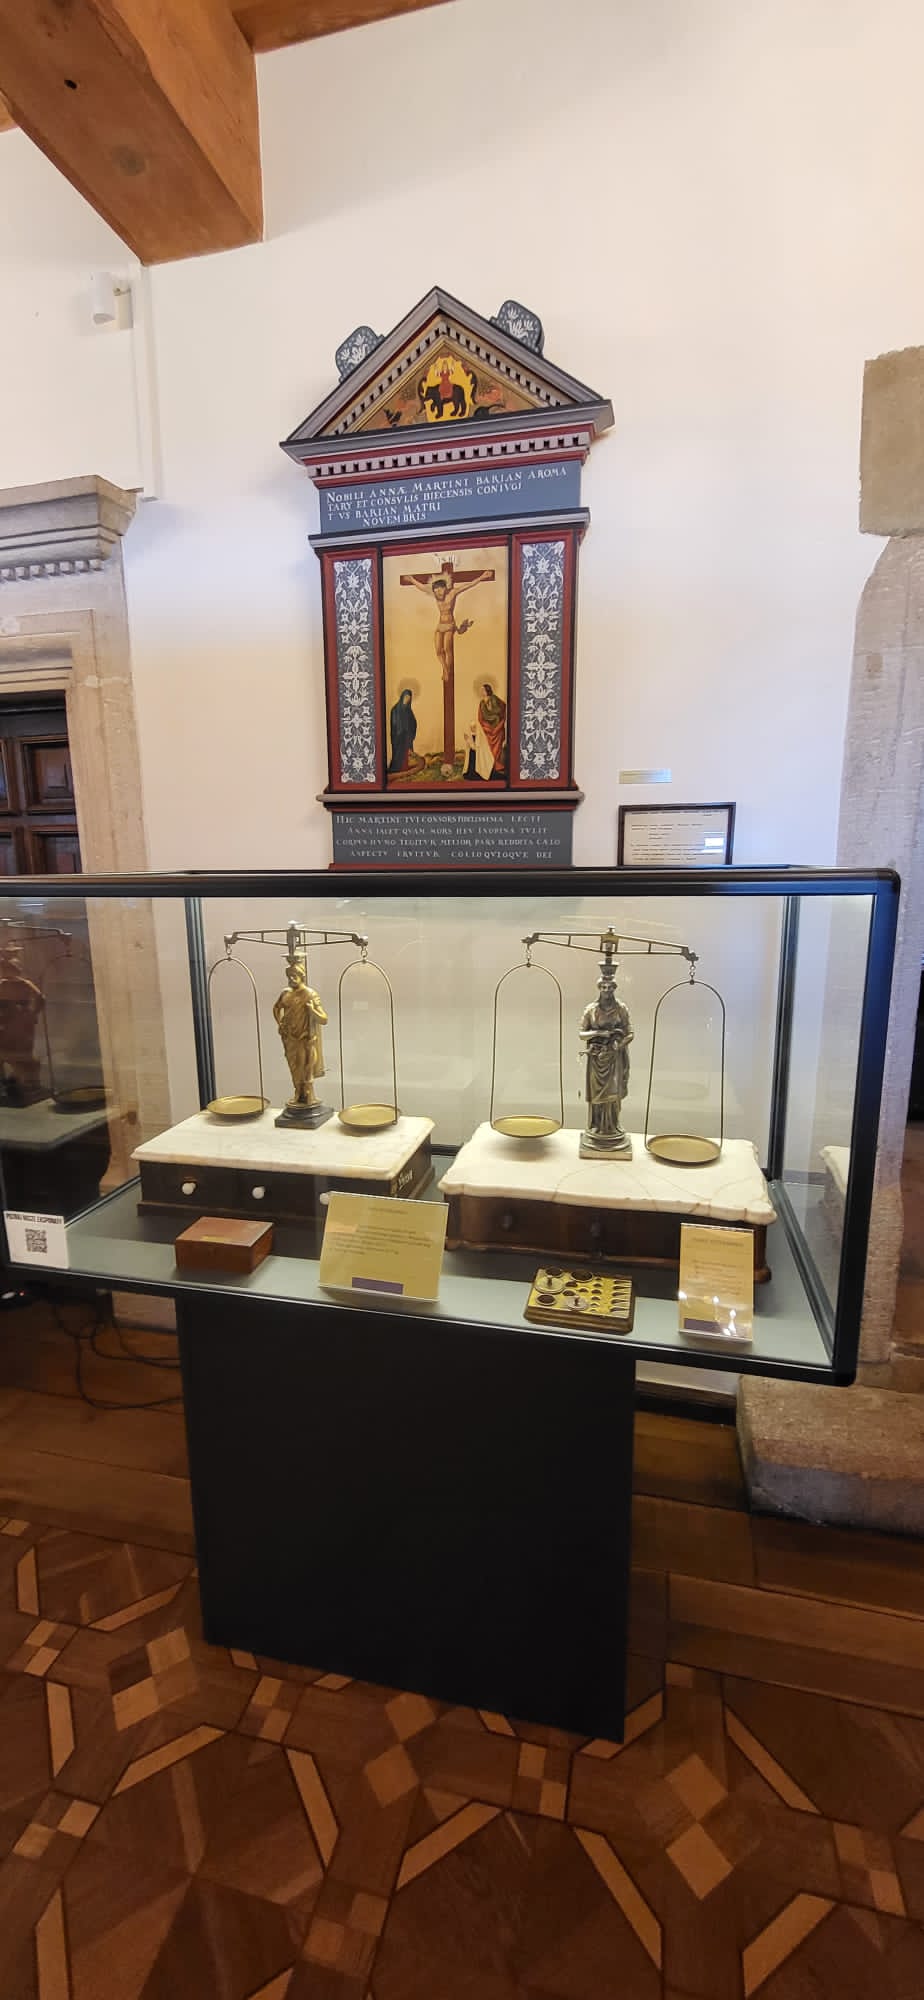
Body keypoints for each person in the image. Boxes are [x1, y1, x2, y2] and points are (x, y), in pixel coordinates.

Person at [579, 974, 633, 1156]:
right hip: (596, 1059)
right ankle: (596, 1127)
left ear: (614, 988)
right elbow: (581, 1034)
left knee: (613, 1094)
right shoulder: (591, 1009)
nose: (607, 990)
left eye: (610, 987)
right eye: (603, 987)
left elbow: (630, 1032)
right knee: (596, 1096)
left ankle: (612, 1127)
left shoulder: (621, 1008)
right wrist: (599, 1033)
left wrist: (620, 1044)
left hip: (615, 1058)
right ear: (599, 988)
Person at [273, 962, 328, 1109]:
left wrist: (312, 1010)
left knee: (306, 1068)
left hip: (305, 1039)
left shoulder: (310, 994)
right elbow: (276, 1008)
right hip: (289, 1039)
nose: (291, 978)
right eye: (289, 976)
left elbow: (324, 1019)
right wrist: (280, 1023)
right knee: (294, 1067)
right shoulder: (285, 993)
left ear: (302, 976)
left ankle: (309, 1094)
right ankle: (298, 1092)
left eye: (294, 975)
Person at [475, 681, 507, 779]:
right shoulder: (481, 703)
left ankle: (497, 766)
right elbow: (480, 718)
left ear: (487, 690)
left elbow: (504, 707)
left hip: (497, 729)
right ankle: (490, 766)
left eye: (483, 690)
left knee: (497, 749)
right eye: (481, 690)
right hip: (487, 730)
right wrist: (486, 727)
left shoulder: (495, 699)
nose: (481, 692)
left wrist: (499, 722)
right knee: (488, 749)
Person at [388, 687, 418, 774]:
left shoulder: (409, 711)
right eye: (406, 697)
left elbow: (414, 722)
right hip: (398, 737)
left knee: (407, 755)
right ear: (402, 697)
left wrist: (411, 733)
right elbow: (394, 724)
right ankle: (397, 770)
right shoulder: (395, 710)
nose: (407, 699)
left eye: (409, 698)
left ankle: (406, 770)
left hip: (407, 737)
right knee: (398, 755)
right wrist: (400, 732)